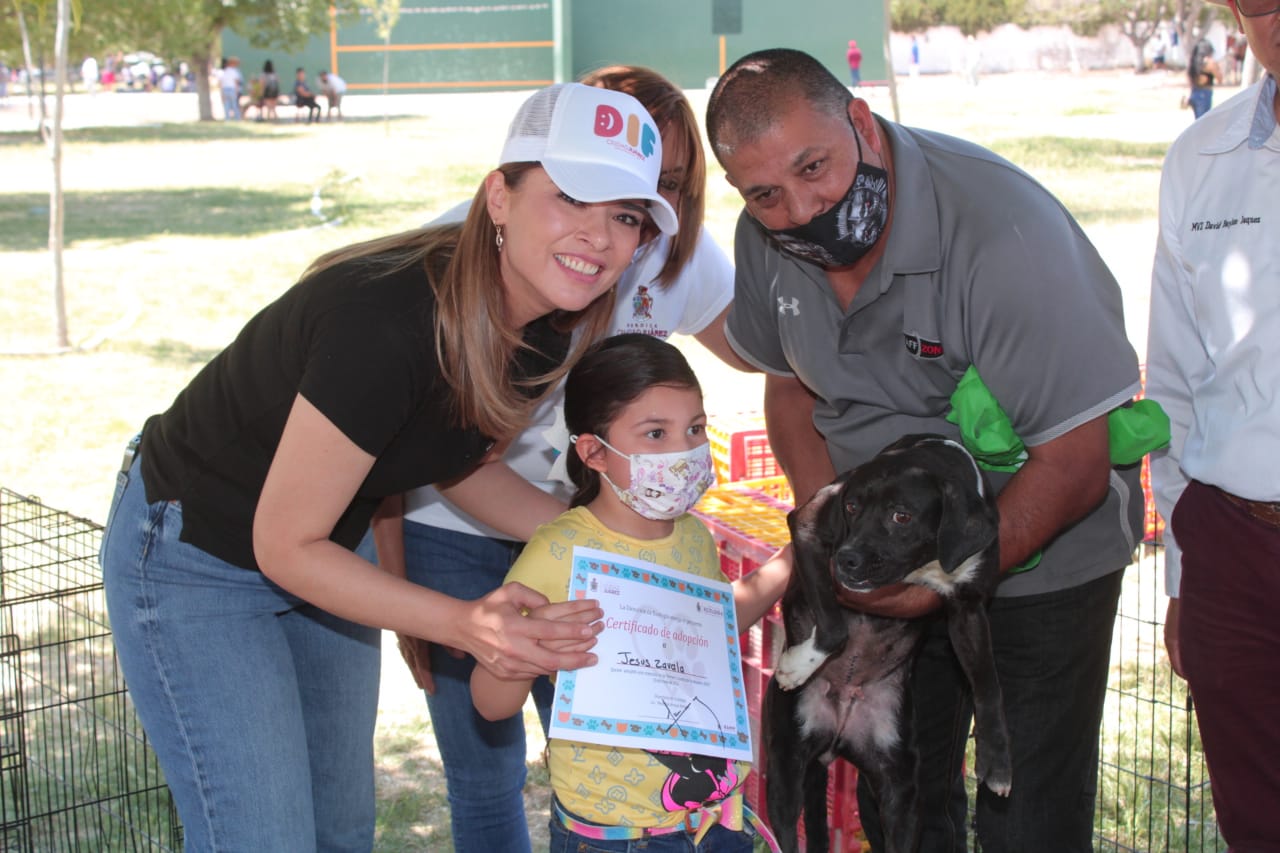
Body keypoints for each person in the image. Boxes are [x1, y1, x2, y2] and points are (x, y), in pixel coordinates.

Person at [99, 82, 679, 853]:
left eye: (627, 216)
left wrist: (613, 534)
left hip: (324, 547)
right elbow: (284, 544)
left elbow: (455, 461)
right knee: (264, 838)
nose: (600, 237)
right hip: (197, 552)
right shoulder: (384, 322)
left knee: (342, 832)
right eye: (573, 197)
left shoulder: (544, 323)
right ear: (498, 197)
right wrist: (464, 622)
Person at [705, 48, 1143, 852]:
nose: (801, 209)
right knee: (899, 799)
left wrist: (937, 585)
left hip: (1039, 560)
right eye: (766, 193)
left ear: (861, 123)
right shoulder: (764, 241)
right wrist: (826, 529)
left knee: (1027, 809)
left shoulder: (1002, 234)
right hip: (883, 556)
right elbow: (788, 385)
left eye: (816, 168)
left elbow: (1076, 463)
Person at [382, 64, 749, 853]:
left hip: (593, 533)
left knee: (617, 749)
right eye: (601, 184)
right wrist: (401, 570)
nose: (633, 207)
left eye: (667, 184)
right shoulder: (476, 254)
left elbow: (759, 345)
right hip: (458, 533)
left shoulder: (669, 252)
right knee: (486, 764)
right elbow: (423, 443)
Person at [470, 333, 788, 852]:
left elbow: (715, 630)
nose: (685, 450)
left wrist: (793, 562)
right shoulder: (559, 553)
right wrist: (531, 649)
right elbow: (490, 702)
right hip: (618, 837)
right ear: (594, 451)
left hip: (716, 820)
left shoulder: (693, 537)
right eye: (656, 433)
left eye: (695, 428)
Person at [1145, 0, 1280, 847]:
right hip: (1235, 547)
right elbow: (1175, 381)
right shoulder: (1201, 156)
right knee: (1256, 818)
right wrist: (1187, 576)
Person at [1187, 38, 1221, 118]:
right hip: (1204, 93)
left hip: (1194, 92)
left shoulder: (1193, 62)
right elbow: (1220, 78)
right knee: (1204, 123)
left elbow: (1189, 77)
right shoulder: (1209, 62)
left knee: (1198, 121)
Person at [219, 56, 243, 121]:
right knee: (235, 105)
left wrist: (221, 93)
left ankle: (227, 119)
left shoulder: (224, 72)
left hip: (225, 89)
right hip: (232, 89)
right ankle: (237, 119)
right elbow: (236, 82)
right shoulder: (234, 71)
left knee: (227, 105)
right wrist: (237, 91)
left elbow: (221, 83)